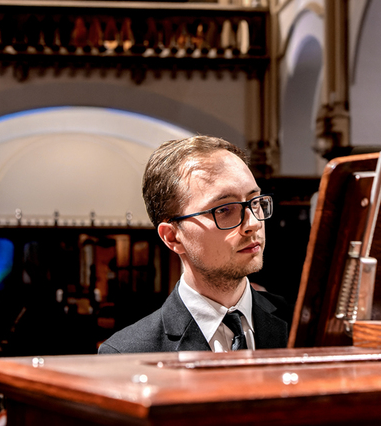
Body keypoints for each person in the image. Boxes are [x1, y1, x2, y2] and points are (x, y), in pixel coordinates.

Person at [98, 136, 289, 353]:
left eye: (255, 201)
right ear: (172, 236)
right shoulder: (129, 353)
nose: (253, 223)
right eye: (224, 209)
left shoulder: (304, 326)